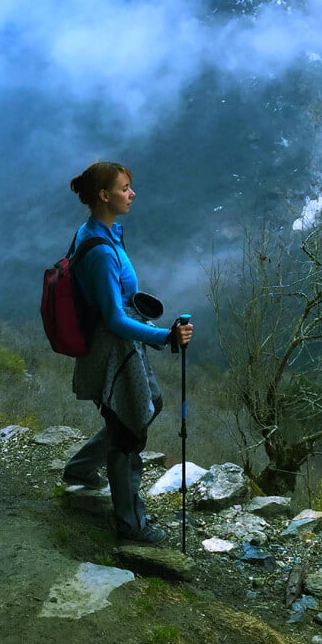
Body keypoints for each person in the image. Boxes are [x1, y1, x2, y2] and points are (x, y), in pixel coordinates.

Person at [62, 160, 193, 544]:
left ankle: (80, 468)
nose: (131, 193)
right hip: (114, 350)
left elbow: (116, 300)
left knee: (148, 403)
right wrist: (164, 337)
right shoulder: (101, 249)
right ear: (105, 196)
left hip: (124, 345)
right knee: (129, 428)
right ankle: (131, 524)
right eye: (124, 188)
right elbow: (114, 320)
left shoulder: (104, 233)